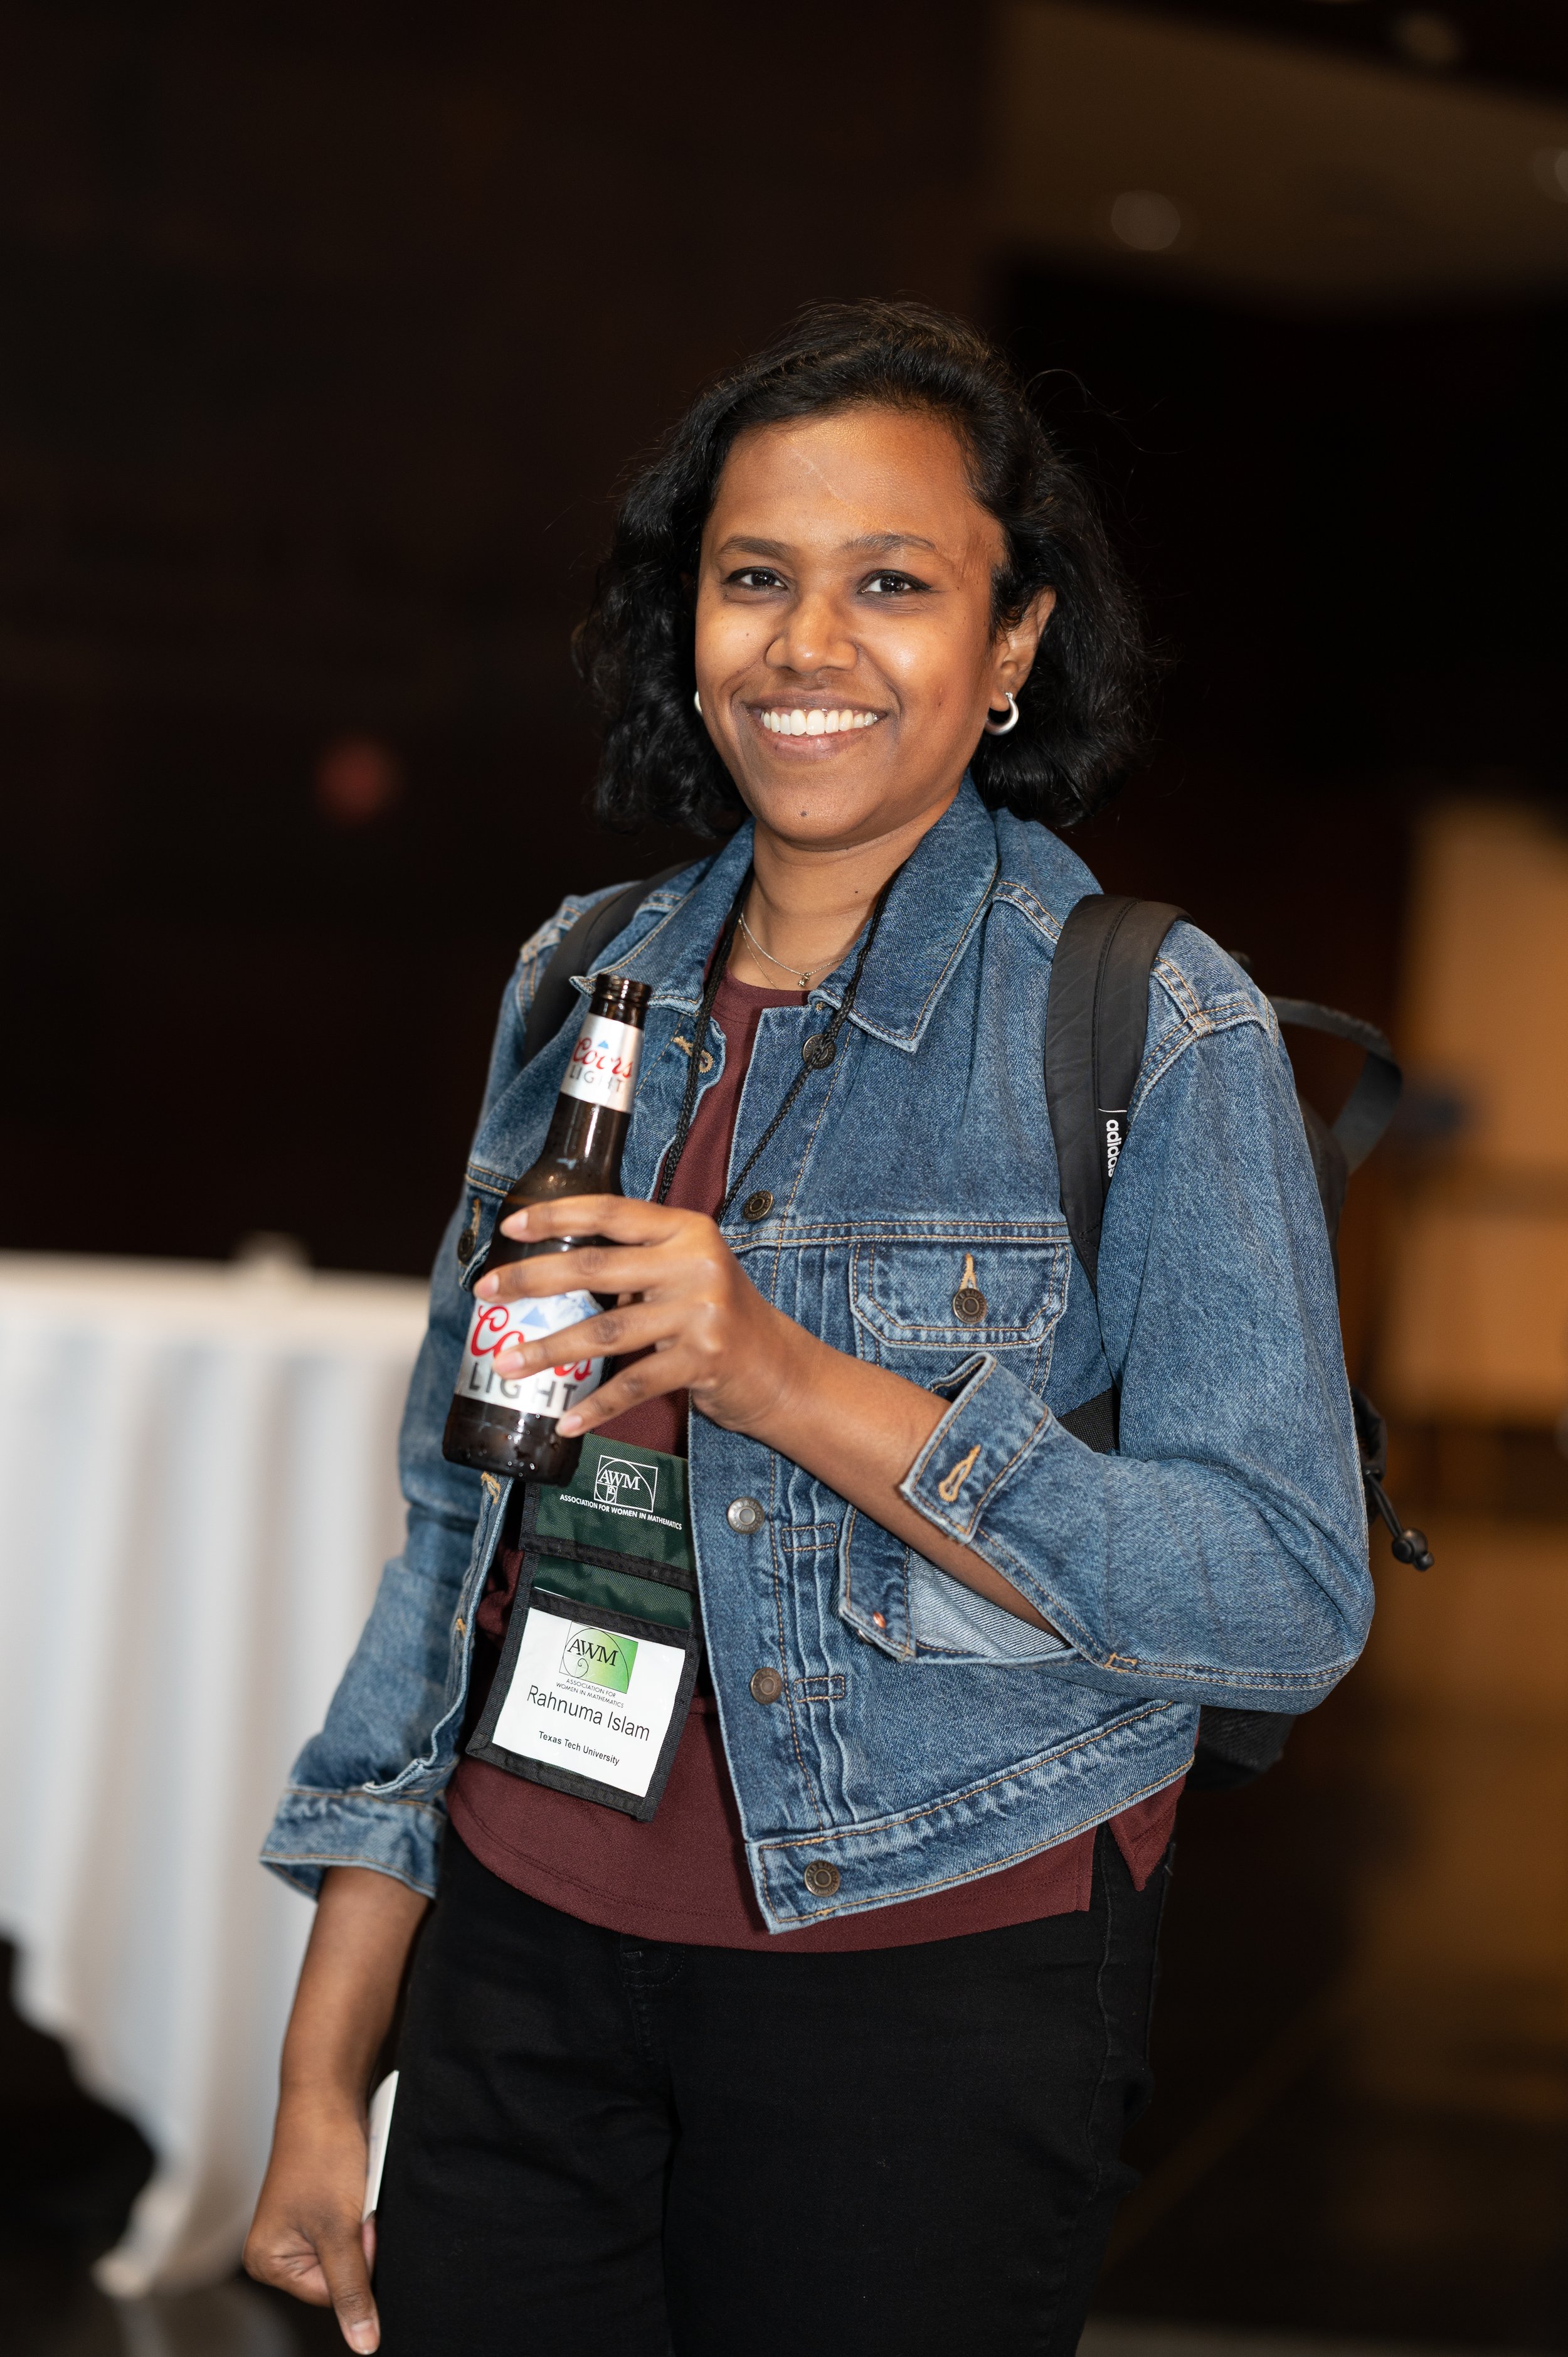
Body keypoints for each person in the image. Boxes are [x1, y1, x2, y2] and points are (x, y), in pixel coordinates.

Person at [245, 301, 1372, 2356]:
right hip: (520, 1976)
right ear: (688, 616)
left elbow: (1282, 1593)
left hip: (927, 1983)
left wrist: (779, 1376)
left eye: (893, 585)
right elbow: (456, 1547)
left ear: (1010, 647)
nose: (806, 645)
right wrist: (330, 2073)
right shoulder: (578, 978)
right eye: (754, 578)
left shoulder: (1145, 1017)